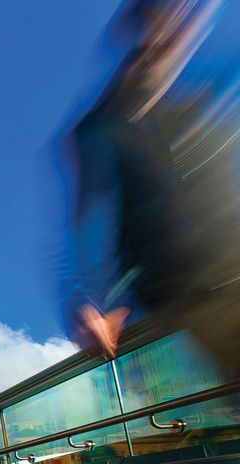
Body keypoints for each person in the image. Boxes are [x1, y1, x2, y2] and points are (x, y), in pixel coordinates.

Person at [65, 0, 240, 370]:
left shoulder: (206, 99)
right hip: (195, 295)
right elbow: (89, 226)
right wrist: (90, 300)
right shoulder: (102, 128)